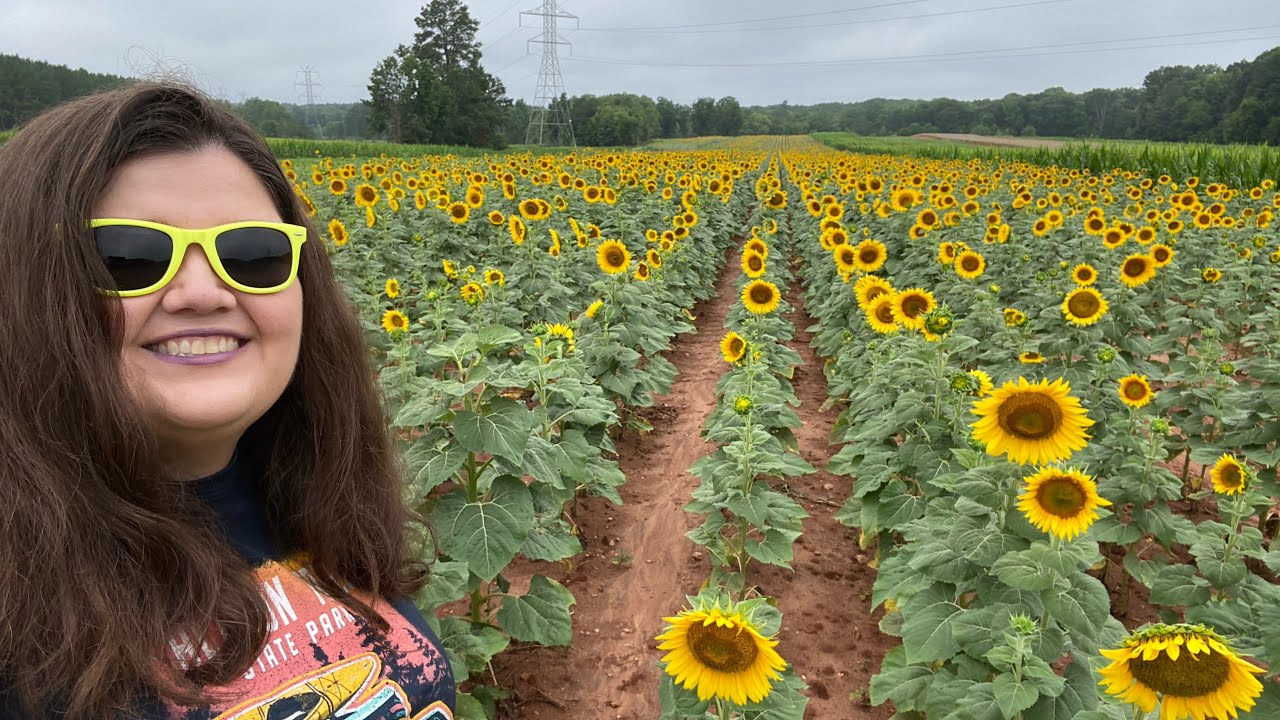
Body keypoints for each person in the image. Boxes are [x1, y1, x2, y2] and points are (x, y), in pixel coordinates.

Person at [0, 83, 455, 718]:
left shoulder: (323, 508)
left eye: (253, 254)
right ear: (24, 291)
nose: (203, 293)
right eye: (126, 257)